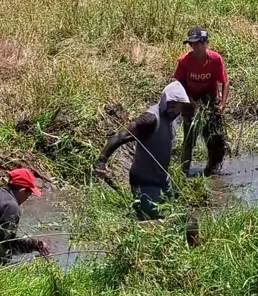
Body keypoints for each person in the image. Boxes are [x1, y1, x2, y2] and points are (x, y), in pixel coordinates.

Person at [95, 81, 189, 220]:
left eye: (178, 106)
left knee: (173, 216)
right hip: (145, 183)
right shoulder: (150, 119)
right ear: (164, 101)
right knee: (151, 221)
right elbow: (121, 136)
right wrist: (101, 161)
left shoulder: (173, 119)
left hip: (163, 180)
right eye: (171, 105)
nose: (174, 110)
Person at [174, 27, 229, 177]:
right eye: (193, 45)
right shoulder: (184, 61)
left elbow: (224, 82)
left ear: (206, 43)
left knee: (213, 138)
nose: (197, 48)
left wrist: (222, 104)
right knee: (189, 139)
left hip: (209, 103)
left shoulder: (215, 59)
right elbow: (179, 83)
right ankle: (184, 172)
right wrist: (189, 101)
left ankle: (212, 169)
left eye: (200, 44)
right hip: (190, 102)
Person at [0, 168, 50, 264]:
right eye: (29, 194)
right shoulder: (11, 207)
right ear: (22, 190)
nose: (28, 197)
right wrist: (35, 245)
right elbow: (6, 244)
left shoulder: (0, 194)